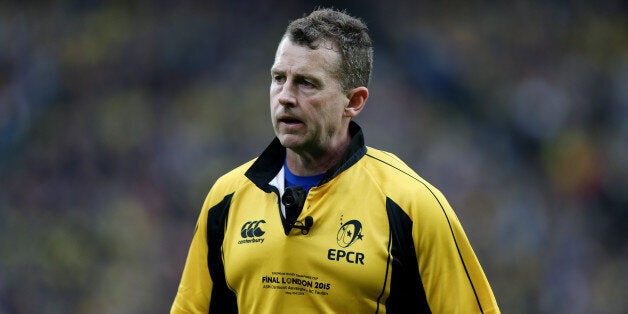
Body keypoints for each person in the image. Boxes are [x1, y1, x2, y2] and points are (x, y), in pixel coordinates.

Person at [171, 7, 499, 314]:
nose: (285, 96)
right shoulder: (226, 198)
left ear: (353, 101)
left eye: (306, 83)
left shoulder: (412, 207)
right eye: (278, 78)